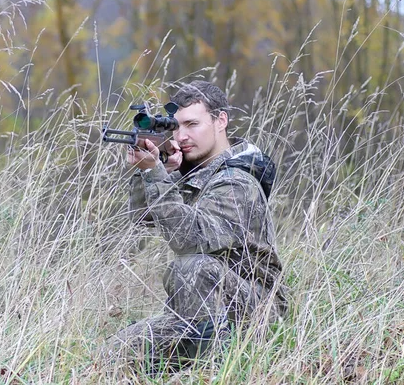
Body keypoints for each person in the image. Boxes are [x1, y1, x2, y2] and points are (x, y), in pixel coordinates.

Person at [101, 80, 288, 376]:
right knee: (117, 351)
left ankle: (213, 373)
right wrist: (148, 171)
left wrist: (156, 174)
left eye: (192, 124)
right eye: (176, 127)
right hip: (201, 310)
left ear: (220, 121)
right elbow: (143, 218)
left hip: (257, 309)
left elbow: (188, 239)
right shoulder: (195, 173)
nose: (182, 136)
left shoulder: (238, 181)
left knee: (191, 266)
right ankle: (187, 365)